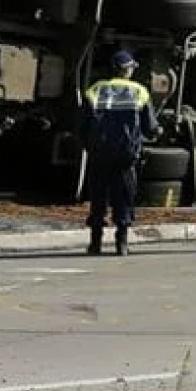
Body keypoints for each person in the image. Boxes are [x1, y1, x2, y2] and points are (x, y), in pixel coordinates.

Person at [81, 50, 161, 256]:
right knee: (124, 198)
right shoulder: (139, 92)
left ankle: (95, 243)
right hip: (126, 156)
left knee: (98, 198)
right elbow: (150, 127)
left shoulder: (95, 90)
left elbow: (81, 125)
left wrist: (89, 146)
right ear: (127, 70)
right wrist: (157, 132)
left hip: (99, 155)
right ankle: (121, 243)